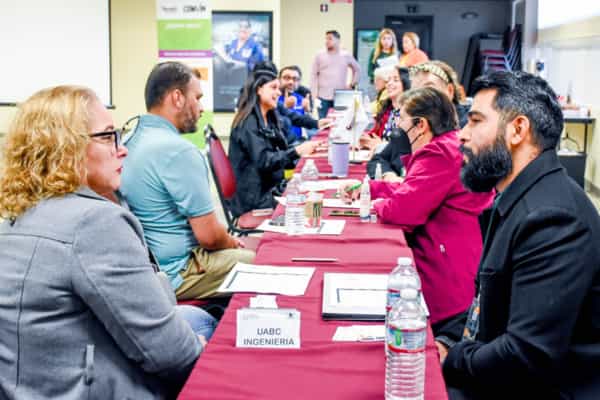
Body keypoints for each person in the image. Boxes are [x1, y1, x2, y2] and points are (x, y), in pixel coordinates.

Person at [0, 85, 204, 398]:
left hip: (39, 382)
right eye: (108, 136)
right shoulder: (96, 223)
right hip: (101, 389)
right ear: (66, 147)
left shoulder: (17, 214)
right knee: (213, 331)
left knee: (197, 317)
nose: (122, 149)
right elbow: (173, 355)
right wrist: (203, 348)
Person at [442, 71, 600, 399]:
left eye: (474, 121)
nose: (461, 135)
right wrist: (443, 338)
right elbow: (485, 305)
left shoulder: (553, 217)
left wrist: (451, 357)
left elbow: (526, 353)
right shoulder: (518, 196)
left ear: (517, 130)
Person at [343, 87, 493, 346]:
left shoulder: (437, 153)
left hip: (446, 280)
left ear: (420, 125)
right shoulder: (450, 145)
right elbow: (418, 189)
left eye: (400, 119)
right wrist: (371, 187)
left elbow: (403, 210)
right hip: (463, 265)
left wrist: (375, 203)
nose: (396, 128)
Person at [120, 62, 255, 301]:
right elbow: (210, 237)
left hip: (147, 268)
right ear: (178, 98)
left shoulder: (129, 140)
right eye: (198, 97)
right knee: (266, 261)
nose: (201, 108)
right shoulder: (179, 151)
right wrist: (232, 242)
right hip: (179, 272)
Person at [229, 67, 321, 217]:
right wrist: (297, 151)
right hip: (256, 198)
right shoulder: (248, 123)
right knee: (309, 206)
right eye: (273, 88)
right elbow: (264, 161)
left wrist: (302, 152)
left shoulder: (270, 116)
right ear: (258, 89)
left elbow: (281, 151)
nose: (279, 93)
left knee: (313, 192)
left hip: (269, 186)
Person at [362, 66, 411, 181]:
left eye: (395, 80)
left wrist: (380, 145)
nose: (389, 84)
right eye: (388, 80)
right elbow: (376, 136)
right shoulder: (389, 111)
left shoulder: (410, 117)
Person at [311, 30, 361, 118]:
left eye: (330, 39)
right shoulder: (319, 55)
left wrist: (352, 84)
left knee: (340, 123)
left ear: (338, 40)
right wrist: (314, 95)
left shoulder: (346, 55)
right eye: (326, 39)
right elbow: (314, 75)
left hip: (340, 96)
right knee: (324, 123)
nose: (327, 41)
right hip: (322, 97)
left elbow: (357, 69)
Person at [410, 60, 469, 127]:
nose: (420, 96)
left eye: (428, 88)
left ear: (450, 91)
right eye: (414, 92)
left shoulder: (468, 123)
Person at [278, 65, 310, 142]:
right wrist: (285, 107)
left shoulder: (301, 98)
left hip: (300, 140)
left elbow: (303, 124)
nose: (291, 82)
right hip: (283, 143)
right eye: (286, 78)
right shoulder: (273, 97)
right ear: (279, 80)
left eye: (295, 79)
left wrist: (307, 112)